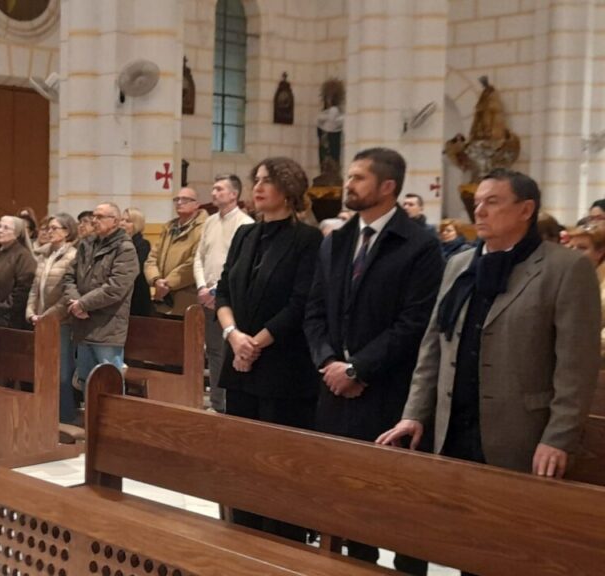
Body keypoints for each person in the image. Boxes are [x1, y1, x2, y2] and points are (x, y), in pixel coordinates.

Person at [378, 170, 600, 491]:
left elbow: (576, 367)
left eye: (492, 202)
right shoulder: (460, 264)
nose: (479, 211)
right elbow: (434, 347)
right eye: (477, 202)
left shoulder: (565, 269)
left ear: (526, 210)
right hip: (450, 429)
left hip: (522, 436)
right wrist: (413, 414)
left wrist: (559, 439)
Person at [304, 148, 443, 573]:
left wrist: (358, 369)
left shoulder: (419, 244)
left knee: (396, 503)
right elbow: (315, 310)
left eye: (359, 178)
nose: (348, 185)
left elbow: (415, 322)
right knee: (342, 500)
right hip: (335, 390)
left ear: (388, 187)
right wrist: (329, 363)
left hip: (387, 392)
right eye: (349, 176)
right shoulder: (338, 240)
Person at [215, 157, 321, 543]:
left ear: (289, 189)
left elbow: (300, 302)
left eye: (267, 181)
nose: (257, 187)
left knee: (278, 466)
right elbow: (224, 289)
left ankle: (283, 545)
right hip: (241, 363)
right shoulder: (245, 235)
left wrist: (255, 342)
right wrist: (234, 336)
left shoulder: (308, 239)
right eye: (255, 180)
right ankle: (242, 538)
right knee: (242, 460)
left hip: (283, 367)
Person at [60, 203, 138, 394]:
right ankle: (92, 422)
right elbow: (69, 276)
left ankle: (114, 423)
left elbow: (116, 287)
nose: (95, 220)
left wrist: (83, 304)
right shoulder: (86, 244)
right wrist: (75, 302)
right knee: (86, 380)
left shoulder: (125, 248)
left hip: (107, 326)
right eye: (94, 216)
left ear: (116, 221)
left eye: (101, 217)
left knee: (109, 382)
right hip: (83, 324)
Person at [194, 174, 253, 413]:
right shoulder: (209, 222)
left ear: (234, 194)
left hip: (228, 300)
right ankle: (217, 405)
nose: (214, 193)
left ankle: (230, 406)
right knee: (215, 353)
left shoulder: (245, 223)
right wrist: (201, 286)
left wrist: (217, 291)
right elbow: (199, 256)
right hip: (206, 297)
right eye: (213, 188)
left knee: (228, 352)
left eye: (219, 189)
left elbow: (239, 264)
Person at [26, 213, 80, 423]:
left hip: (61, 323)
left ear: (67, 232)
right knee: (42, 370)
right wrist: (30, 312)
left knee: (62, 373)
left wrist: (47, 317)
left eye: (54, 228)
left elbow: (68, 293)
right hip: (40, 320)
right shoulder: (44, 255)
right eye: (48, 228)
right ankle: (45, 415)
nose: (49, 232)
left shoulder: (73, 256)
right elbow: (34, 288)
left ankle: (64, 418)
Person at [144, 187, 207, 317]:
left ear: (196, 204)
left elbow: (195, 262)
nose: (179, 202)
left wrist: (167, 284)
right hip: (161, 299)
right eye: (176, 199)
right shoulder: (169, 227)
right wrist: (156, 280)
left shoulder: (205, 227)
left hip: (186, 301)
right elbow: (152, 258)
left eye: (185, 199)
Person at [0, 216, 36, 329]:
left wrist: (4, 308)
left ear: (17, 233)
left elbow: (23, 289)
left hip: (9, 320)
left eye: (6, 228)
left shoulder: (23, 257)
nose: (0, 230)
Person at [565, 224, 605, 358]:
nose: (574, 252)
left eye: (582, 248)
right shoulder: (568, 276)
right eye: (571, 247)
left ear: (600, 252)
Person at [120, 208, 152, 317]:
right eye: (122, 220)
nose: (122, 223)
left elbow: (135, 269)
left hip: (137, 296)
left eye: (127, 221)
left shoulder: (143, 244)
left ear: (136, 224)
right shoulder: (116, 243)